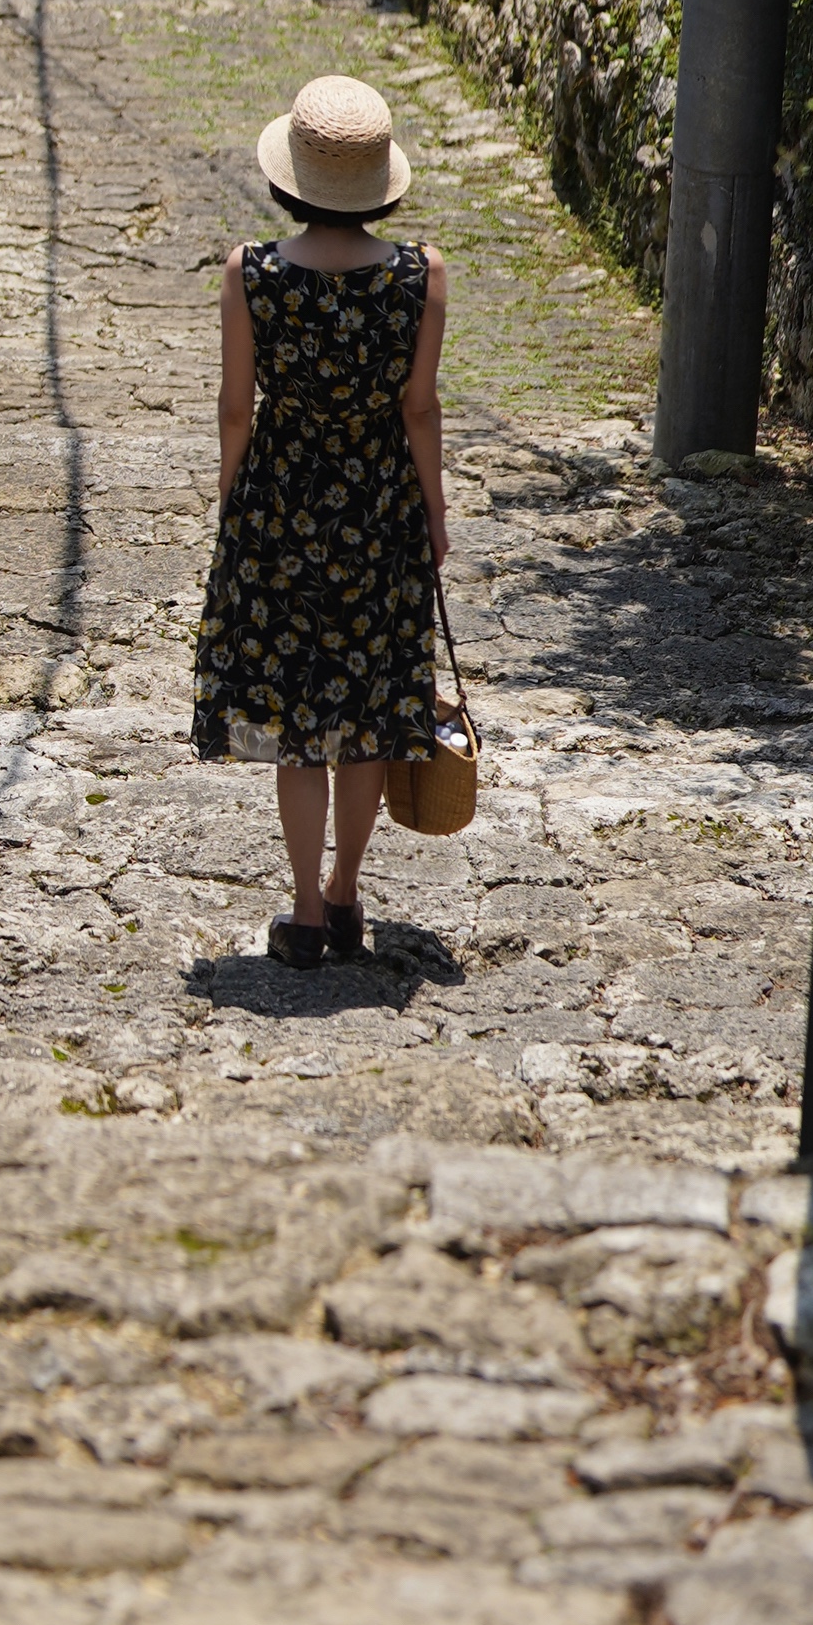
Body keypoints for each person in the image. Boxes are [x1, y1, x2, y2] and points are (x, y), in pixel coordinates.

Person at [191, 71, 449, 965]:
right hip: (380, 507)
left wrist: (234, 502)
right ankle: (345, 893)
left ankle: (303, 914)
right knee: (367, 711)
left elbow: (236, 409)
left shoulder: (251, 274)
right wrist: (434, 514)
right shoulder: (420, 275)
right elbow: (420, 409)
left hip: (281, 504)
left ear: (290, 178)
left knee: (298, 720)